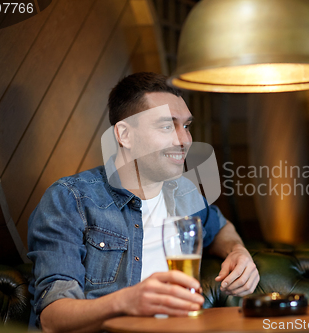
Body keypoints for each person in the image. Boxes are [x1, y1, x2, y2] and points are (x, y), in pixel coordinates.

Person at [27, 72, 259, 333]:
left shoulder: (184, 193)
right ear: (124, 135)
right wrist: (125, 301)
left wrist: (237, 251)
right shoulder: (70, 199)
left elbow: (220, 227)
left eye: (187, 126)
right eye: (166, 126)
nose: (184, 140)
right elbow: (52, 319)